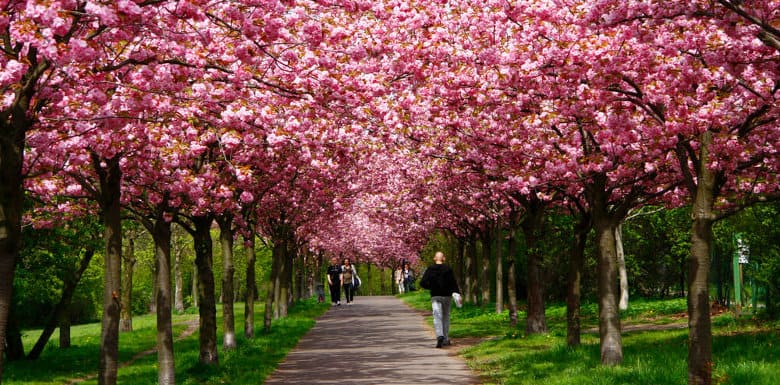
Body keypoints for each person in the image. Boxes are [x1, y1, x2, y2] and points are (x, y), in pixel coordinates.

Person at [419, 251, 461, 348]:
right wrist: (457, 293)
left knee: (437, 315)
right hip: (447, 296)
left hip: (435, 295)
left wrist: (431, 287)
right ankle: (445, 339)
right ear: (444, 258)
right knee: (446, 316)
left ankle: (439, 336)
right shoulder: (448, 269)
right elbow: (453, 282)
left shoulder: (430, 269)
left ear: (434, 258)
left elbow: (423, 283)